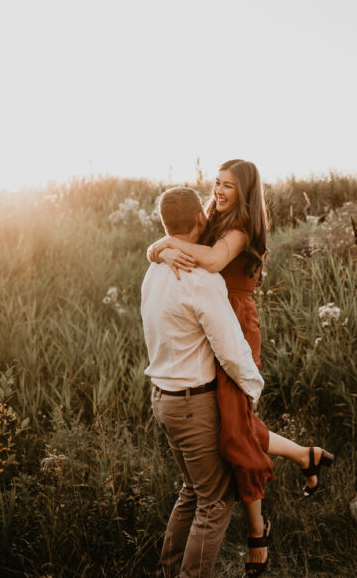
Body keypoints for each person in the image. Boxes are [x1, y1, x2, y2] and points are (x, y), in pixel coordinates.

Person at [148, 159, 334, 577]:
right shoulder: (212, 217)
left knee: (235, 429)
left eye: (228, 185)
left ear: (245, 190)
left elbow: (212, 261)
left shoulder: (241, 227)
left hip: (233, 323)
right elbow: (187, 239)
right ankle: (306, 458)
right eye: (215, 183)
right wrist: (159, 246)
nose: (218, 190)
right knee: (237, 429)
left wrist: (163, 246)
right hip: (211, 321)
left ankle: (257, 535)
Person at [141, 185, 267, 578]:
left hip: (163, 398)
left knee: (193, 493)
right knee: (214, 503)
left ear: (165, 228)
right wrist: (253, 385)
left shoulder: (155, 269)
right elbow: (229, 346)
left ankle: (167, 572)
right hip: (193, 404)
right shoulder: (199, 277)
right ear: (200, 220)